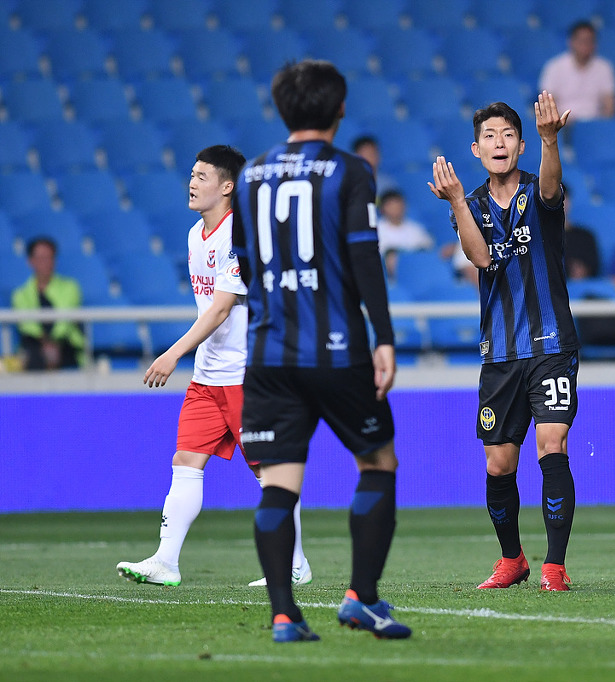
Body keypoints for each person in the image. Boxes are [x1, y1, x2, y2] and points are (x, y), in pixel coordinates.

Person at [231, 60, 411, 643]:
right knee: (378, 462)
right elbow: (364, 258)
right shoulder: (350, 170)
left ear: (281, 108)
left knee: (278, 484)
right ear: (339, 109)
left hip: (269, 354)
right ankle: (361, 597)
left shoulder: (251, 174)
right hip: (336, 350)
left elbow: (244, 263)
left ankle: (285, 615)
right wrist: (384, 336)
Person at [116, 146, 313, 590]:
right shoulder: (195, 235)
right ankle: (166, 561)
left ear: (227, 186)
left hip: (248, 375)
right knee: (186, 461)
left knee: (268, 471)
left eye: (202, 176)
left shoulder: (241, 237)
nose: (192, 183)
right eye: (191, 174)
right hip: (208, 376)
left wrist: (173, 353)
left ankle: (295, 563)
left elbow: (222, 309)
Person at [428, 92, 579, 592]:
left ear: (520, 145)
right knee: (499, 463)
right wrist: (455, 201)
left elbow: (552, 188)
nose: (499, 143)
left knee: (552, 443)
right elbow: (481, 258)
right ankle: (512, 558)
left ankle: (554, 565)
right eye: (490, 136)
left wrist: (550, 141)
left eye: (508, 135)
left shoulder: (540, 190)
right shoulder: (469, 204)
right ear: (476, 149)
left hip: (551, 344)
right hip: (500, 353)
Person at [11, 236, 85, 370]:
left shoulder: (70, 287)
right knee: (33, 353)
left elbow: (64, 321)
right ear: (30, 261)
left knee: (59, 353)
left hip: (64, 343)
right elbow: (27, 325)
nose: (45, 263)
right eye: (41, 258)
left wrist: (53, 342)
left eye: (49, 257)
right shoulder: (20, 294)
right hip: (35, 344)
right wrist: (44, 341)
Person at [538, 20, 615, 121]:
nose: (585, 45)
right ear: (571, 42)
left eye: (589, 41)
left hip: (593, 122)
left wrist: (601, 125)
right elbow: (546, 106)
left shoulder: (604, 68)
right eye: (581, 41)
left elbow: (609, 106)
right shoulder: (554, 67)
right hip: (563, 123)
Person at [561, 182, 601, 280]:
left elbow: (593, 269)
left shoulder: (585, 237)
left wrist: (583, 271)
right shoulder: (534, 238)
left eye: (561, 197)